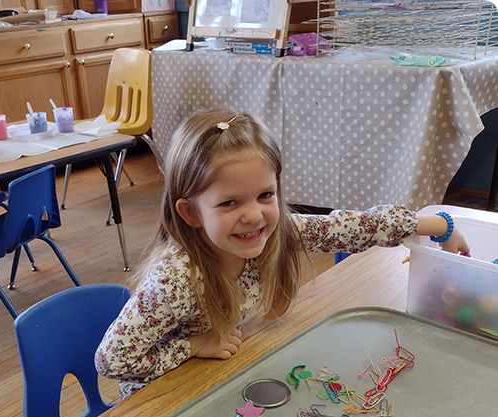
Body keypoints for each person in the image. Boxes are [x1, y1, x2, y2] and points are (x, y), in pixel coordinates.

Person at [95, 109, 469, 400]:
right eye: (229, 202)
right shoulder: (174, 280)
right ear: (191, 213)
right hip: (160, 402)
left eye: (265, 195)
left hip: (214, 378)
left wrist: (438, 225)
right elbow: (112, 361)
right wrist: (194, 345)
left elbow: (350, 227)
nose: (255, 215)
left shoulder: (276, 233)